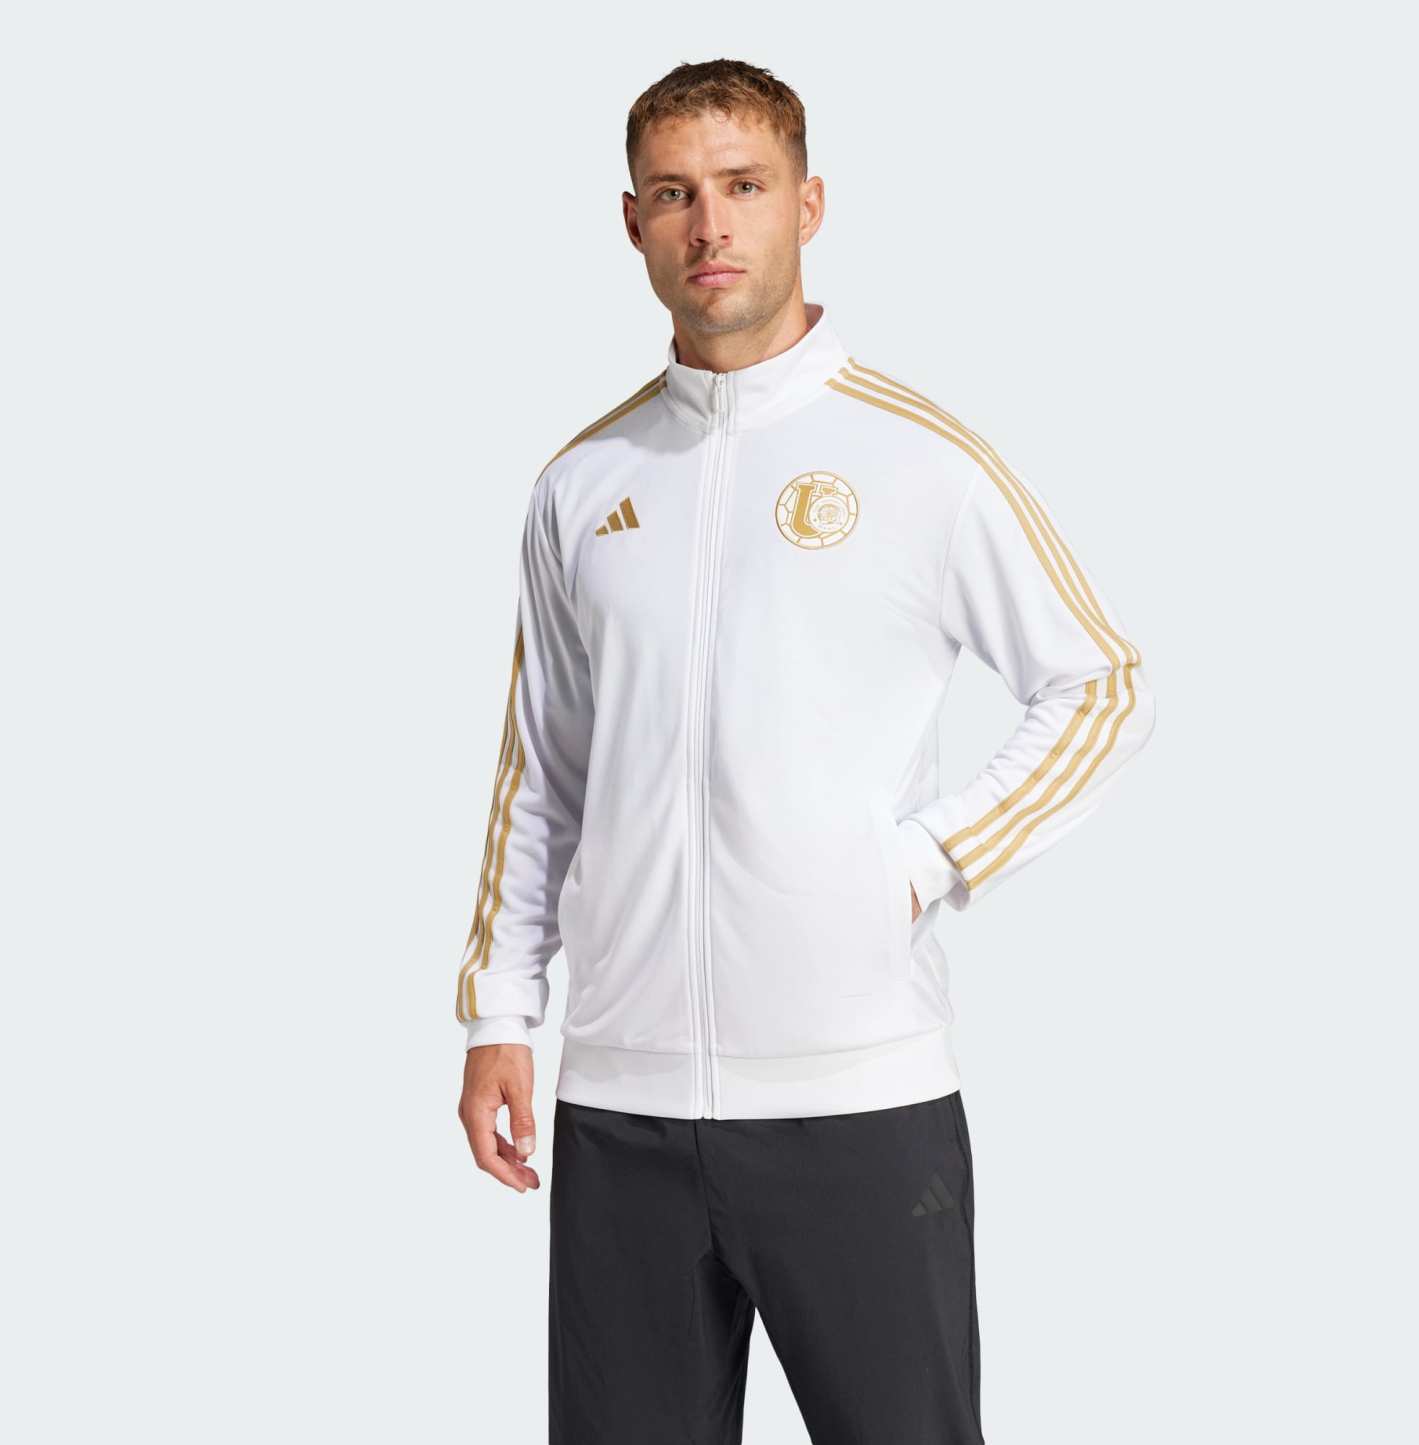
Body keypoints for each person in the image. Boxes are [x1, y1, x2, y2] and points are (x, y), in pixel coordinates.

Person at [454, 58, 1156, 1444]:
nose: (709, 224)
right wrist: (497, 1014)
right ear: (633, 222)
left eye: (744, 186)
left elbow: (1101, 685)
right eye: (674, 194)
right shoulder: (581, 484)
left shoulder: (921, 460)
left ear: (808, 205)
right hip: (621, 1104)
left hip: (858, 1101)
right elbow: (542, 770)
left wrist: (921, 863)